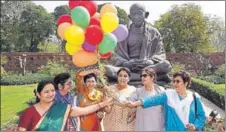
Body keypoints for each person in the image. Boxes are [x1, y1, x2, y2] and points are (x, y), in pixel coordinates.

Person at [106, 3, 171, 84]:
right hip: (127, 67)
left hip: (147, 66)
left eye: (139, 13)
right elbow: (115, 54)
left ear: (146, 15)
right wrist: (125, 63)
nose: (136, 16)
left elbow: (160, 54)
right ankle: (145, 76)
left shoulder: (154, 33)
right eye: (133, 14)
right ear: (130, 17)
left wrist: (150, 61)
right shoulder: (122, 32)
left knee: (166, 65)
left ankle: (130, 77)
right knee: (107, 69)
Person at [124, 70, 206, 131]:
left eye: (178, 81)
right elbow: (152, 100)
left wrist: (195, 126)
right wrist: (135, 104)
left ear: (186, 83)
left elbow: (201, 116)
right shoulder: (168, 94)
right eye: (174, 81)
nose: (175, 84)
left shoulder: (194, 97)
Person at [17, 80, 112, 131]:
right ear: (38, 94)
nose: (50, 94)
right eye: (46, 92)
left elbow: (84, 111)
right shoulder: (28, 112)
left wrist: (102, 104)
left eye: (53, 91)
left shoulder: (61, 108)